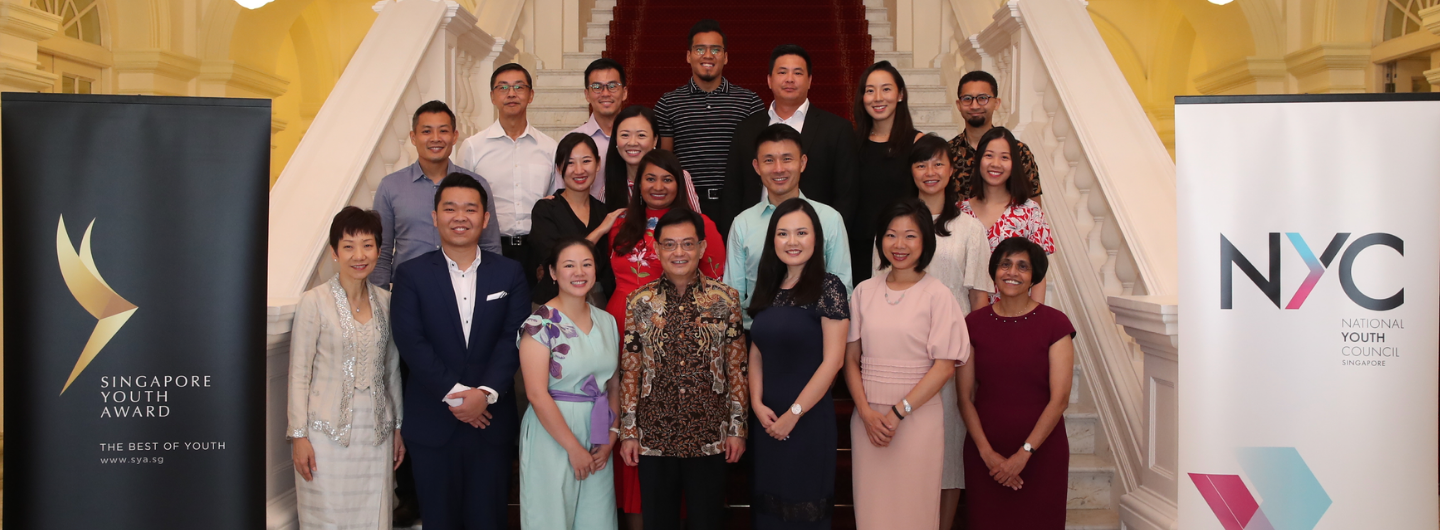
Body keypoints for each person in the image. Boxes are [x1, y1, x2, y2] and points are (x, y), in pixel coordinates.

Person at [390, 173, 531, 530]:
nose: (460, 216)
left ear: (485, 219)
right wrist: (456, 396)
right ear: (435, 216)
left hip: (491, 420)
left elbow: (513, 337)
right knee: (439, 520)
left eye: (470, 209)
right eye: (450, 208)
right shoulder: (410, 274)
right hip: (433, 421)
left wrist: (484, 393)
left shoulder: (510, 273)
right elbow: (411, 341)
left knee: (490, 519)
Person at [872, 135, 993, 530]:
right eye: (922, 164)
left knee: (948, 454)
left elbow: (978, 300)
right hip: (899, 354)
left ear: (952, 170)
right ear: (911, 170)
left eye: (938, 164)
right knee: (906, 449)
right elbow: (877, 289)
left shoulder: (969, 229)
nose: (930, 172)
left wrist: (973, 364)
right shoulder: (894, 224)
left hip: (950, 356)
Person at [605, 149, 725, 522]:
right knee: (631, 438)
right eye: (649, 178)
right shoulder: (620, 224)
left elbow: (714, 288)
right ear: (637, 184)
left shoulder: (701, 225)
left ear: (680, 184)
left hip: (681, 350)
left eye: (667, 178)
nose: (658, 186)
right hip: (620, 338)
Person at [618, 208, 748, 530]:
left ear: (702, 248)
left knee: (707, 522)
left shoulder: (726, 300)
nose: (679, 252)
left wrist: (737, 428)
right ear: (657, 249)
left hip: (710, 435)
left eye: (688, 244)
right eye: (670, 244)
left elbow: (737, 367)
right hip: (654, 436)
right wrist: (629, 431)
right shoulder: (639, 302)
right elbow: (631, 370)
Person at [844, 198, 970, 530]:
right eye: (891, 235)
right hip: (868, 420)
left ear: (926, 241)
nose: (899, 245)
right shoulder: (863, 292)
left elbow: (944, 367)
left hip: (917, 419)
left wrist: (898, 412)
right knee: (872, 512)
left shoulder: (938, 295)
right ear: (880, 240)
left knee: (914, 512)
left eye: (910, 236)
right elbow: (851, 360)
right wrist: (866, 412)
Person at [288, 206, 405, 529]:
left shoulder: (386, 301)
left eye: (367, 245)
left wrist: (396, 427)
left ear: (379, 250)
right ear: (334, 252)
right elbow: (299, 373)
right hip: (324, 435)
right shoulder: (314, 302)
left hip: (376, 433)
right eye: (349, 246)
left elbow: (391, 368)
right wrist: (299, 436)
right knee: (327, 517)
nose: (359, 255)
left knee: (373, 514)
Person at [745, 198, 849, 529]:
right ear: (772, 239)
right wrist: (757, 403)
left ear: (816, 238)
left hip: (807, 420)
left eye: (801, 233)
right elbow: (757, 350)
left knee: (804, 513)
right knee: (769, 512)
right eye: (783, 233)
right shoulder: (769, 286)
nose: (792, 242)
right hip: (766, 420)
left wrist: (794, 414)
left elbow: (833, 362)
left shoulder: (828, 287)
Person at [959, 237, 1074, 529]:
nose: (1012, 272)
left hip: (1041, 453)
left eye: (1023, 266)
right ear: (994, 271)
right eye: (1005, 264)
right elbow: (964, 398)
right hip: (985, 454)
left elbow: (1059, 399)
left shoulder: (1055, 323)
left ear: (1034, 275)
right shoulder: (973, 324)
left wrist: (1023, 455)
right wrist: (987, 455)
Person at [517, 237, 621, 529]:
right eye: (569, 265)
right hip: (553, 432)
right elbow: (536, 394)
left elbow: (613, 385)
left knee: (597, 518)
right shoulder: (539, 323)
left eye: (587, 264)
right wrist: (574, 449)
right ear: (552, 272)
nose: (579, 272)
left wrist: (610, 436)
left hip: (598, 428)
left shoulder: (606, 321)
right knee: (550, 518)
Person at [724, 123, 851, 330]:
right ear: (756, 166)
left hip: (816, 339)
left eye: (787, 159)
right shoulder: (742, 223)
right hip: (757, 338)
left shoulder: (829, 219)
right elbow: (733, 297)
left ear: (802, 163)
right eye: (769, 160)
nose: (778, 169)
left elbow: (844, 291)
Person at [723, 44, 859, 234]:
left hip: (813, 239)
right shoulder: (747, 129)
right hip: (757, 236)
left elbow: (846, 195)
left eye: (797, 73)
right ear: (769, 80)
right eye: (782, 72)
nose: (789, 79)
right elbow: (732, 191)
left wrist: (827, 239)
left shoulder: (837, 129)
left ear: (810, 80)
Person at [372, 100, 501, 288]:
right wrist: (380, 301)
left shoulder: (477, 185)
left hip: (467, 289)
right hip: (409, 290)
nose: (435, 138)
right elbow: (381, 253)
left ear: (455, 136)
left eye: (443, 131)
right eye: (426, 131)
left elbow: (491, 247)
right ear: (413, 137)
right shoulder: (390, 186)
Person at [457, 62, 558, 287]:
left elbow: (554, 203)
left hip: (536, 251)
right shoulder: (473, 147)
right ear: (492, 96)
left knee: (536, 317)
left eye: (519, 87)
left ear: (531, 95)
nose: (511, 93)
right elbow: (461, 201)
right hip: (489, 248)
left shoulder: (549, 148)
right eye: (503, 88)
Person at [654, 19, 765, 218]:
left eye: (715, 50)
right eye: (699, 49)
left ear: (726, 57)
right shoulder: (668, 103)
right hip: (686, 205)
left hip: (739, 206)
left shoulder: (750, 102)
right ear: (688, 56)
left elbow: (759, 158)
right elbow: (665, 162)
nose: (708, 55)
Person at [960, 126, 1055, 304]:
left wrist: (1033, 320)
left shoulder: (1030, 211)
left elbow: (1039, 276)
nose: (995, 163)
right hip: (965, 313)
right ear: (979, 159)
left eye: (1004, 157)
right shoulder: (960, 212)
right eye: (989, 155)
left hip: (1015, 316)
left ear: (1014, 164)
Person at [531, 132, 622, 304]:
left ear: (598, 164)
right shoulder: (545, 210)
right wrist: (601, 230)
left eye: (586, 161)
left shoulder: (603, 211)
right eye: (570, 163)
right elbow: (555, 260)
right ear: (558, 168)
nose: (579, 170)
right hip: (554, 303)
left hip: (598, 302)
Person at [851, 61, 921, 284]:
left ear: (900, 94)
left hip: (902, 249)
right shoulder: (851, 144)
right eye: (870, 91)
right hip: (858, 249)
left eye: (886, 89)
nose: (878, 97)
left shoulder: (918, 143)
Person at [947, 70, 1042, 201]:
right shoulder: (947, 153)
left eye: (982, 98)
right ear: (959, 104)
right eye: (967, 99)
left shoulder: (1018, 152)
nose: (974, 106)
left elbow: (1035, 210)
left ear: (996, 103)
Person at [603, 105, 702, 214]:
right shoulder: (607, 189)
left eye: (641, 135)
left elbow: (698, 225)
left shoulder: (679, 177)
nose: (632, 142)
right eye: (625, 135)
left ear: (655, 140)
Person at [564, 58, 630, 201]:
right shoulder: (573, 141)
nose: (605, 93)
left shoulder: (638, 141)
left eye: (612, 86)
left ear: (624, 92)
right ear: (587, 94)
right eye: (597, 87)